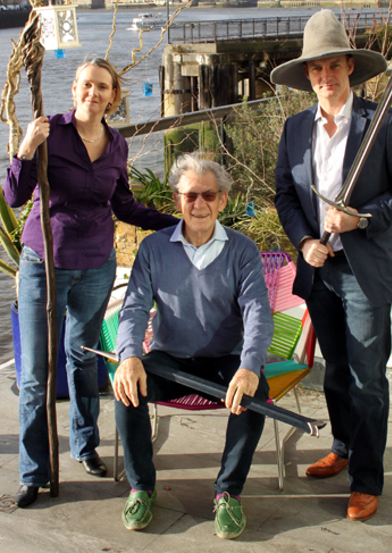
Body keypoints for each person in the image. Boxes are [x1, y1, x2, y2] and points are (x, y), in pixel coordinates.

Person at [271, 10, 392, 521]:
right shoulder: (295, 129)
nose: (325, 77)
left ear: (350, 68)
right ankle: (342, 447)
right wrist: (305, 240)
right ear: (307, 76)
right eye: (316, 69)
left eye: (334, 66)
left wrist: (361, 219)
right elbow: (285, 196)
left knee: (367, 379)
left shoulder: (384, 122)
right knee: (335, 372)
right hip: (319, 271)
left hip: (364, 274)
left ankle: (366, 478)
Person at [3, 56, 178, 508]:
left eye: (102, 86)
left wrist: (176, 224)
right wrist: (25, 149)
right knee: (36, 375)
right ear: (75, 89)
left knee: (82, 361)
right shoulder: (50, 132)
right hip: (46, 263)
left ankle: (85, 447)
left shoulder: (116, 145)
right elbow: (15, 197)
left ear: (113, 96)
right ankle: (33, 471)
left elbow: (125, 206)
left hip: (96, 266)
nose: (93, 93)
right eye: (85, 85)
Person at [114, 152, 274, 539]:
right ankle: (141, 487)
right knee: (126, 391)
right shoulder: (154, 249)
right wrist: (130, 356)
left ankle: (228, 493)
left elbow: (257, 313)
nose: (199, 204)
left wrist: (250, 366)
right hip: (169, 359)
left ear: (222, 200)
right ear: (177, 200)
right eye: (190, 196)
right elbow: (134, 306)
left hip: (225, 360)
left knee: (255, 397)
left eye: (208, 195)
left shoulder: (242, 250)